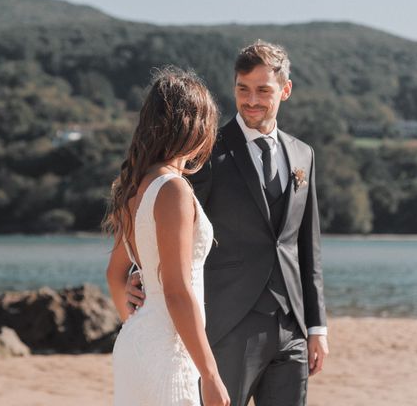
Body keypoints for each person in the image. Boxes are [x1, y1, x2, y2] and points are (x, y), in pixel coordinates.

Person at [127, 41, 329, 406]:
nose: (251, 100)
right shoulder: (206, 150)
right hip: (228, 322)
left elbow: (306, 249)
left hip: (292, 327)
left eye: (263, 90)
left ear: (285, 90)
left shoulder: (303, 155)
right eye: (242, 89)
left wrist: (316, 327)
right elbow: (166, 216)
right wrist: (139, 269)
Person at [104, 66, 230, 406]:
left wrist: (137, 321)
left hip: (137, 341)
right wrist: (211, 374)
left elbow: (115, 275)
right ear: (194, 126)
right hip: (168, 348)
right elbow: (176, 290)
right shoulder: (173, 189)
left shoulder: (133, 187)